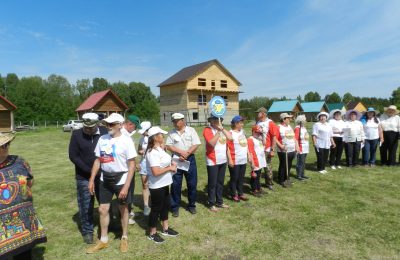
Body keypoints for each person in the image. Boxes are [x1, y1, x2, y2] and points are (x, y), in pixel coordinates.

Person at [87, 113, 137, 254]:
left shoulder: (127, 141)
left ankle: (124, 237)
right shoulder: (102, 139)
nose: (108, 127)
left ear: (120, 125)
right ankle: (103, 240)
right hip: (104, 179)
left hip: (121, 179)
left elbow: (132, 165)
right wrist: (91, 179)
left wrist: (126, 186)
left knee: (123, 209)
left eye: (111, 124)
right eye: (107, 124)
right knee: (102, 209)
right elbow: (98, 160)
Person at [0, 132, 47, 259]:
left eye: (6, 145)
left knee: (24, 253)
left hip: (22, 216)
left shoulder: (20, 162)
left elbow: (30, 182)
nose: (5, 147)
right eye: (3, 145)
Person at [68, 112, 107, 244]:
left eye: (91, 127)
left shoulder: (104, 132)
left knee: (105, 203)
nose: (88, 130)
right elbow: (73, 156)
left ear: (97, 124)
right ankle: (87, 231)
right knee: (86, 205)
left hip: (103, 175)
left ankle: (108, 226)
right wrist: (90, 171)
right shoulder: (76, 135)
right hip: (83, 176)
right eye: (86, 127)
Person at [146, 126, 179, 244]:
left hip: (165, 182)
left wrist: (172, 163)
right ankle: (152, 233)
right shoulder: (152, 153)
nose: (163, 136)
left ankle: (165, 229)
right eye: (161, 135)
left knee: (166, 205)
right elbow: (155, 172)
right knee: (156, 208)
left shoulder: (160, 149)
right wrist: (170, 168)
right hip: (157, 185)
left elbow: (164, 162)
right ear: (155, 137)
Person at [166, 113, 201, 216]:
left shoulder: (191, 130)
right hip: (176, 159)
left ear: (182, 120)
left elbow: (196, 144)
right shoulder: (172, 133)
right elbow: (168, 146)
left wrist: (187, 154)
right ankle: (175, 207)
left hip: (189, 159)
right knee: (175, 184)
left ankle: (191, 205)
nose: (175, 123)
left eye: (177, 121)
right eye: (173, 121)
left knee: (192, 183)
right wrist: (181, 153)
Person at [203, 116, 232, 212]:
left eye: (218, 120)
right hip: (212, 160)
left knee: (220, 182)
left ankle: (219, 201)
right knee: (212, 183)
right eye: (214, 119)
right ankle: (211, 202)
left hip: (222, 160)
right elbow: (211, 143)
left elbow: (230, 138)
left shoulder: (222, 130)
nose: (216, 121)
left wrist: (222, 129)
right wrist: (219, 132)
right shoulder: (207, 130)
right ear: (210, 121)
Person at [121, 115, 141, 225]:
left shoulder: (126, 134)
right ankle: (125, 216)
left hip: (129, 167)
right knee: (126, 192)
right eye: (135, 127)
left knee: (129, 191)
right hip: (126, 169)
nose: (136, 129)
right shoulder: (124, 136)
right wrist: (135, 164)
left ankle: (129, 211)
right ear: (130, 124)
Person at [255, 107, 277, 191]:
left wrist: (272, 150)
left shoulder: (270, 123)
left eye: (258, 113)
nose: (257, 114)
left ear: (263, 114)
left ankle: (269, 183)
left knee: (267, 167)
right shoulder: (258, 122)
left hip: (266, 149)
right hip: (258, 148)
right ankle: (257, 183)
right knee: (258, 167)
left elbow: (274, 137)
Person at [275, 113, 298, 187]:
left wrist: (296, 145)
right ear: (283, 119)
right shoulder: (278, 127)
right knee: (283, 165)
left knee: (289, 164)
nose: (290, 120)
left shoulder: (290, 127)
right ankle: (281, 179)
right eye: (288, 118)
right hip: (283, 150)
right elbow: (274, 138)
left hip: (292, 149)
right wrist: (281, 146)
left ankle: (286, 178)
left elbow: (293, 137)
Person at [137, 121, 152, 216]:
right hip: (144, 163)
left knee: (155, 184)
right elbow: (138, 150)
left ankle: (155, 204)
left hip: (154, 163)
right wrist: (140, 152)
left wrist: (148, 151)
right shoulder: (142, 138)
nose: (142, 133)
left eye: (144, 131)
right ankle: (146, 205)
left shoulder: (156, 137)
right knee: (145, 185)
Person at [247, 125, 267, 196]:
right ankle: (254, 189)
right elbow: (250, 151)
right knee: (255, 175)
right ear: (253, 132)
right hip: (255, 160)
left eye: (259, 133)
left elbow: (265, 143)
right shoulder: (250, 139)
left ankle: (258, 188)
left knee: (258, 175)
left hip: (261, 160)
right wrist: (252, 162)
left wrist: (263, 134)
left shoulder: (259, 139)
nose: (258, 134)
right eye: (257, 132)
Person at [294, 115, 310, 180]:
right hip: (301, 147)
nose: (305, 121)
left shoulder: (304, 128)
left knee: (303, 162)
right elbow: (296, 138)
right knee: (300, 162)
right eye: (304, 120)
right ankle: (299, 175)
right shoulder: (297, 128)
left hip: (305, 147)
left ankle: (302, 174)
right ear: (301, 121)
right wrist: (297, 147)